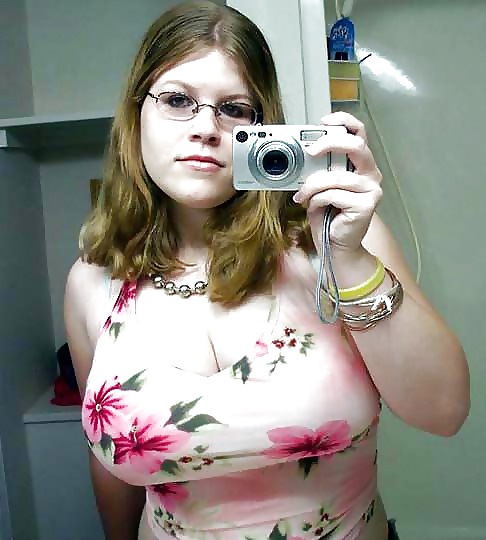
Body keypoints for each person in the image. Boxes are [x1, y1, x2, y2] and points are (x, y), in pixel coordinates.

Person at [64, 2, 470, 539]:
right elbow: (108, 463)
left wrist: (349, 259)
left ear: (264, 126)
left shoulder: (335, 241)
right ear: (137, 113)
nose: (206, 128)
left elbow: (443, 411)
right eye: (178, 100)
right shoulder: (93, 281)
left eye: (235, 109)